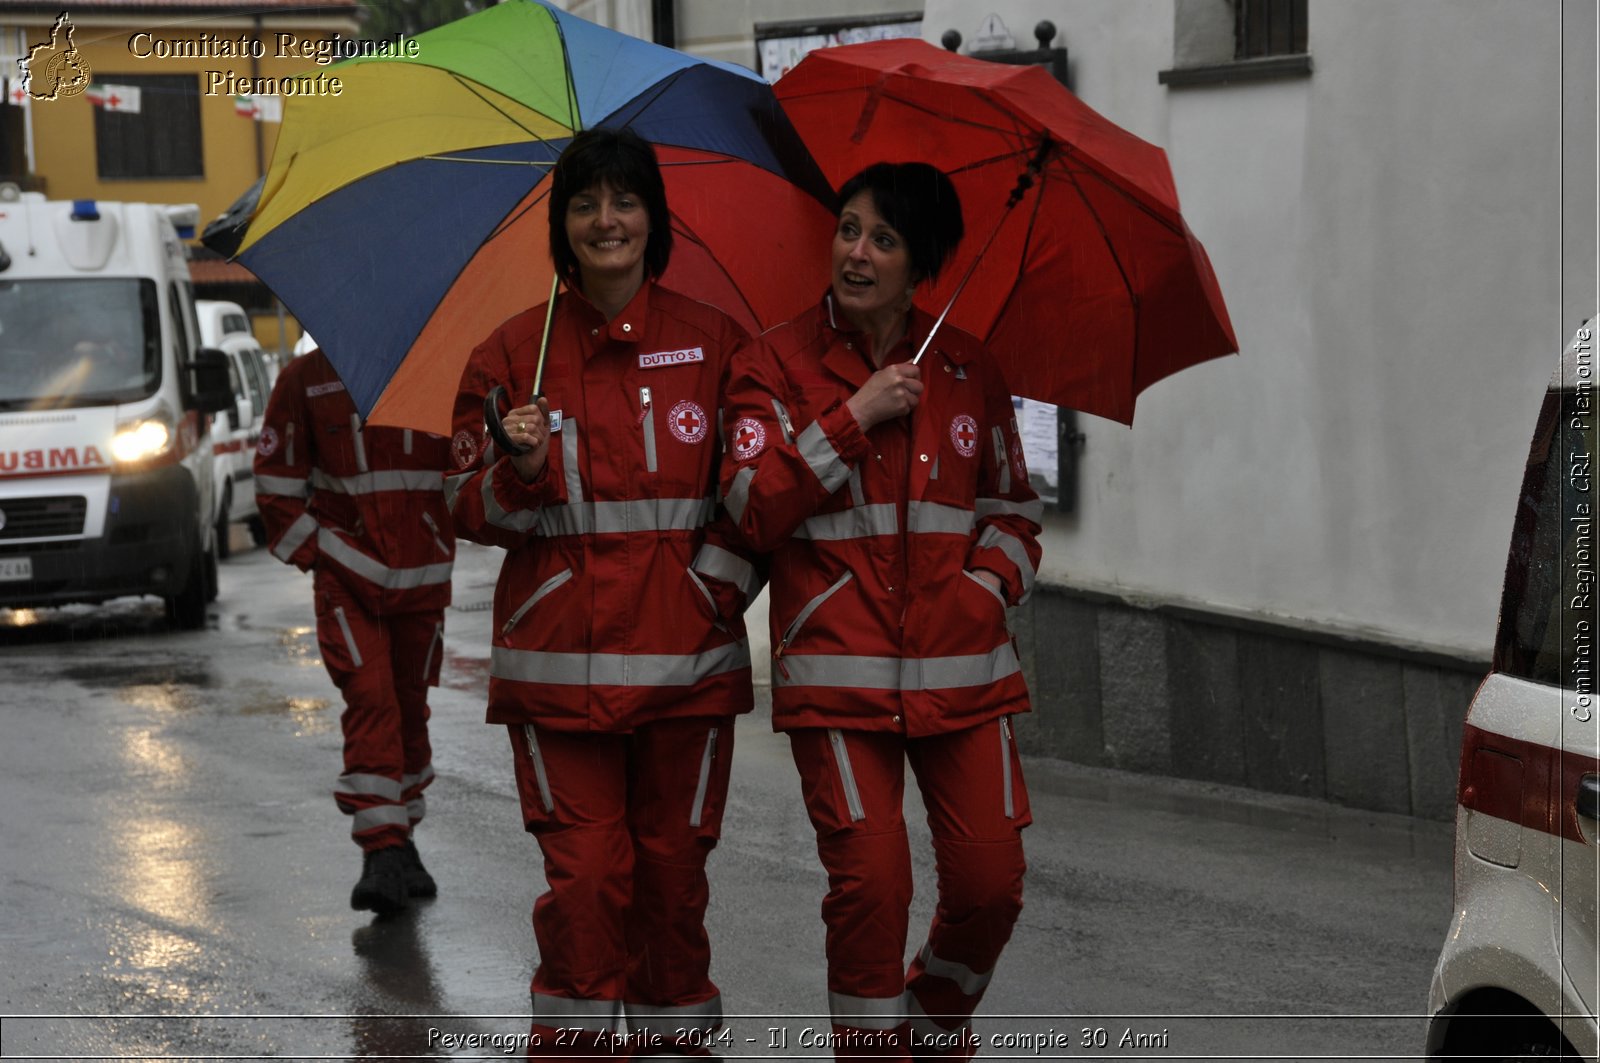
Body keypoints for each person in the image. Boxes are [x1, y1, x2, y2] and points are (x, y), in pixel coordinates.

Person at [714, 162, 1043, 1060]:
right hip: (838, 676)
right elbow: (747, 507)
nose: (856, 253)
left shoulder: (971, 367)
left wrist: (986, 588)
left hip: (964, 676)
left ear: (921, 262)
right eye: (849, 229)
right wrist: (852, 416)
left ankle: (931, 1025)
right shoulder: (772, 364)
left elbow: (1014, 508)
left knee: (991, 885)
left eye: (884, 239)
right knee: (872, 885)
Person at [447, 127, 760, 1058]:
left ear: (654, 217)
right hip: (559, 682)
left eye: (624, 201)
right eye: (585, 204)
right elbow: (462, 505)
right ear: (562, 223)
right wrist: (524, 469)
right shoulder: (511, 358)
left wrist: (714, 594)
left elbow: (757, 504)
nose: (606, 220)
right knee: (584, 892)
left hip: (687, 673)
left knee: (672, 892)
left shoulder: (715, 343)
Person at [254, 348, 455, 916]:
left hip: (423, 581)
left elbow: (470, 470)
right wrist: (321, 555)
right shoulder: (305, 379)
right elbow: (274, 482)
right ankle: (382, 850)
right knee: (371, 700)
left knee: (410, 709)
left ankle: (403, 839)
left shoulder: (441, 374)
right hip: (348, 582)